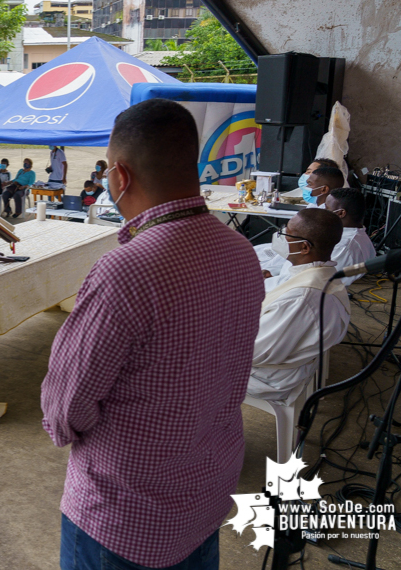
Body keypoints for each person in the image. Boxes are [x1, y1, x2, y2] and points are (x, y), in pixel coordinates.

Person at [41, 98, 264, 570]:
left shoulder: (127, 271)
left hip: (123, 517)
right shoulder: (241, 252)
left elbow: (66, 407)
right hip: (206, 496)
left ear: (119, 176)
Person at [249, 209, 350, 401]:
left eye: (286, 233)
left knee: (182, 353)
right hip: (281, 356)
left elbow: (253, 352)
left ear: (304, 247)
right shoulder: (324, 274)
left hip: (265, 377)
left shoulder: (302, 296)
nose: (279, 236)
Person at [324, 188, 376, 285]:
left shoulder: (343, 245)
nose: (324, 212)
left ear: (341, 213)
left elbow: (325, 278)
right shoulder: (357, 235)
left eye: (327, 209)